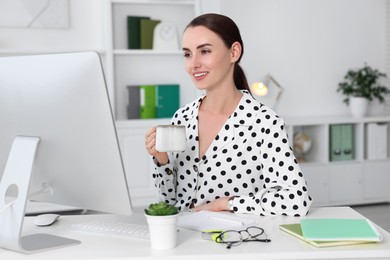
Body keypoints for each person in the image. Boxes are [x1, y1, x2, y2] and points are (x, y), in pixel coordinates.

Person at [145, 13, 312, 216]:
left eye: (204, 51)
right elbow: (169, 204)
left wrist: (227, 203)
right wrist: (162, 161)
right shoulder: (182, 118)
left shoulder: (263, 123)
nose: (193, 64)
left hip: (235, 243)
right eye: (187, 54)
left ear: (234, 52)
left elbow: (296, 200)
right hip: (184, 240)